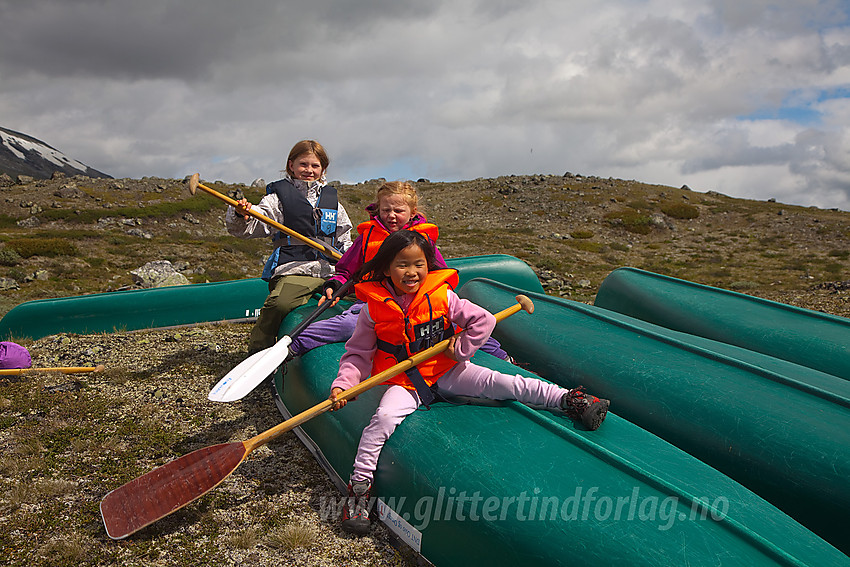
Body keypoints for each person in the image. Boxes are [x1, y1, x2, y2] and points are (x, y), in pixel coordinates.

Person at [327, 230, 610, 535]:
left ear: (428, 265)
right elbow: (358, 353)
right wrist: (344, 385)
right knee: (381, 419)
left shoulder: (443, 297)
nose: (412, 272)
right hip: (405, 382)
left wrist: (462, 350)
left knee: (506, 383)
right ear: (386, 268)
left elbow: (483, 320)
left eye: (419, 264)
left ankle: (569, 400)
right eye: (402, 265)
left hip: (448, 370)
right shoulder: (373, 309)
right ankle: (359, 490)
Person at [288, 180, 511, 361]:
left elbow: (439, 274)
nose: (391, 215)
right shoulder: (367, 239)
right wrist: (335, 284)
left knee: (453, 324)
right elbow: (346, 271)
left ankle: (503, 357)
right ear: (378, 210)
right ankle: (292, 346)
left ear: (412, 212)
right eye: (386, 210)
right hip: (376, 304)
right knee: (348, 325)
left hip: (420, 305)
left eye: (398, 210)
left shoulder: (422, 241)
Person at [225, 140, 353, 354]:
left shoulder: (333, 202)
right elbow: (252, 226)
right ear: (291, 165)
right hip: (295, 269)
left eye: (315, 166)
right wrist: (241, 215)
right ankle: (258, 353)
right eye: (304, 164)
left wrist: (350, 266)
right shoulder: (277, 199)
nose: (309, 170)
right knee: (279, 305)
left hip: (331, 270)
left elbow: (344, 239)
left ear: (322, 170)